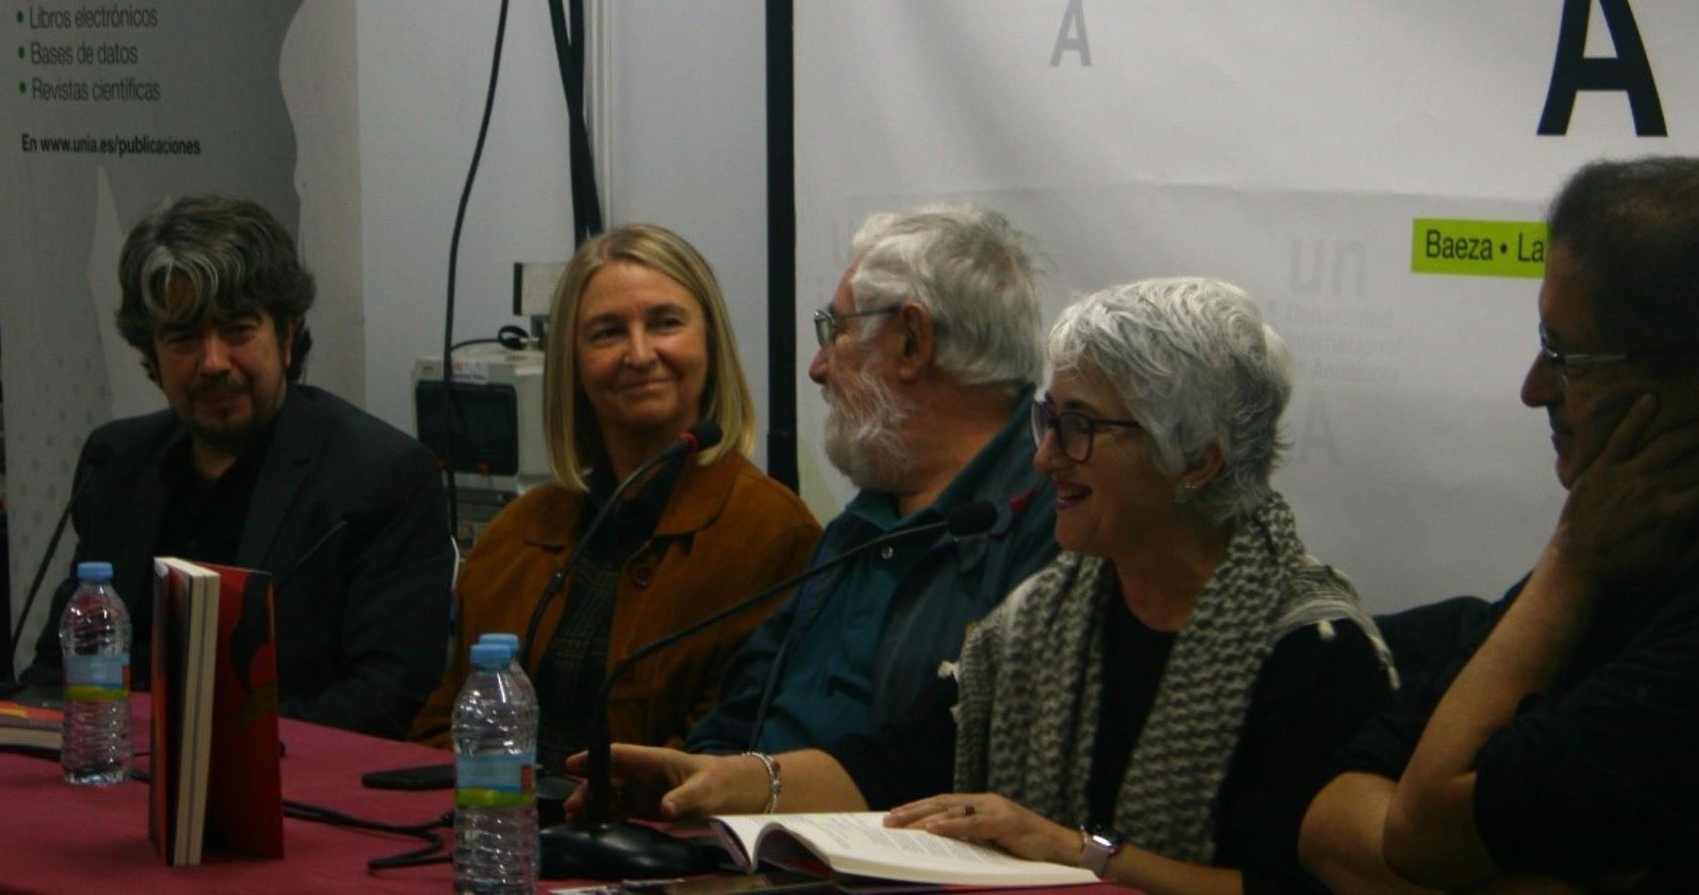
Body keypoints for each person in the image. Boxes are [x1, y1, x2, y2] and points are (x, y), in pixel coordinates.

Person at [589, 277, 1395, 895]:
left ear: (1196, 461)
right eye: (1049, 421)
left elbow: (1298, 886)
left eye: (1080, 429)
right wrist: (737, 781)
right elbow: (905, 762)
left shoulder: (1310, 650)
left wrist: (1082, 854)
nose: (1044, 459)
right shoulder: (1047, 617)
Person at [1300, 156, 1699, 895]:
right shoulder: (1634, 548)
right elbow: (1331, 819)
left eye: (1565, 356)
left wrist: (1570, 562)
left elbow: (1418, 833)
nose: (1534, 388)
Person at [26, 195, 451, 738]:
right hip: (118, 778)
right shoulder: (116, 463)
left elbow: (385, 697)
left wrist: (214, 749)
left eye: (237, 330)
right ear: (150, 355)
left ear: (288, 334)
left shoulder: (381, 476)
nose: (213, 363)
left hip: (291, 786)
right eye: (183, 338)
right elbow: (58, 670)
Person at [409, 224, 820, 768]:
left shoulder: (771, 534)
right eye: (606, 333)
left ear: (711, 343)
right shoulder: (517, 532)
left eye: (665, 323)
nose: (639, 352)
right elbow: (444, 725)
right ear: (572, 364)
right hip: (502, 836)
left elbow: (724, 748)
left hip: (659, 842)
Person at [681, 205, 1058, 755]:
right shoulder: (863, 519)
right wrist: (681, 790)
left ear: (912, 342)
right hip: (743, 831)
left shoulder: (1057, 523)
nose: (818, 366)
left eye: (835, 330)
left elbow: (961, 765)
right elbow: (741, 710)